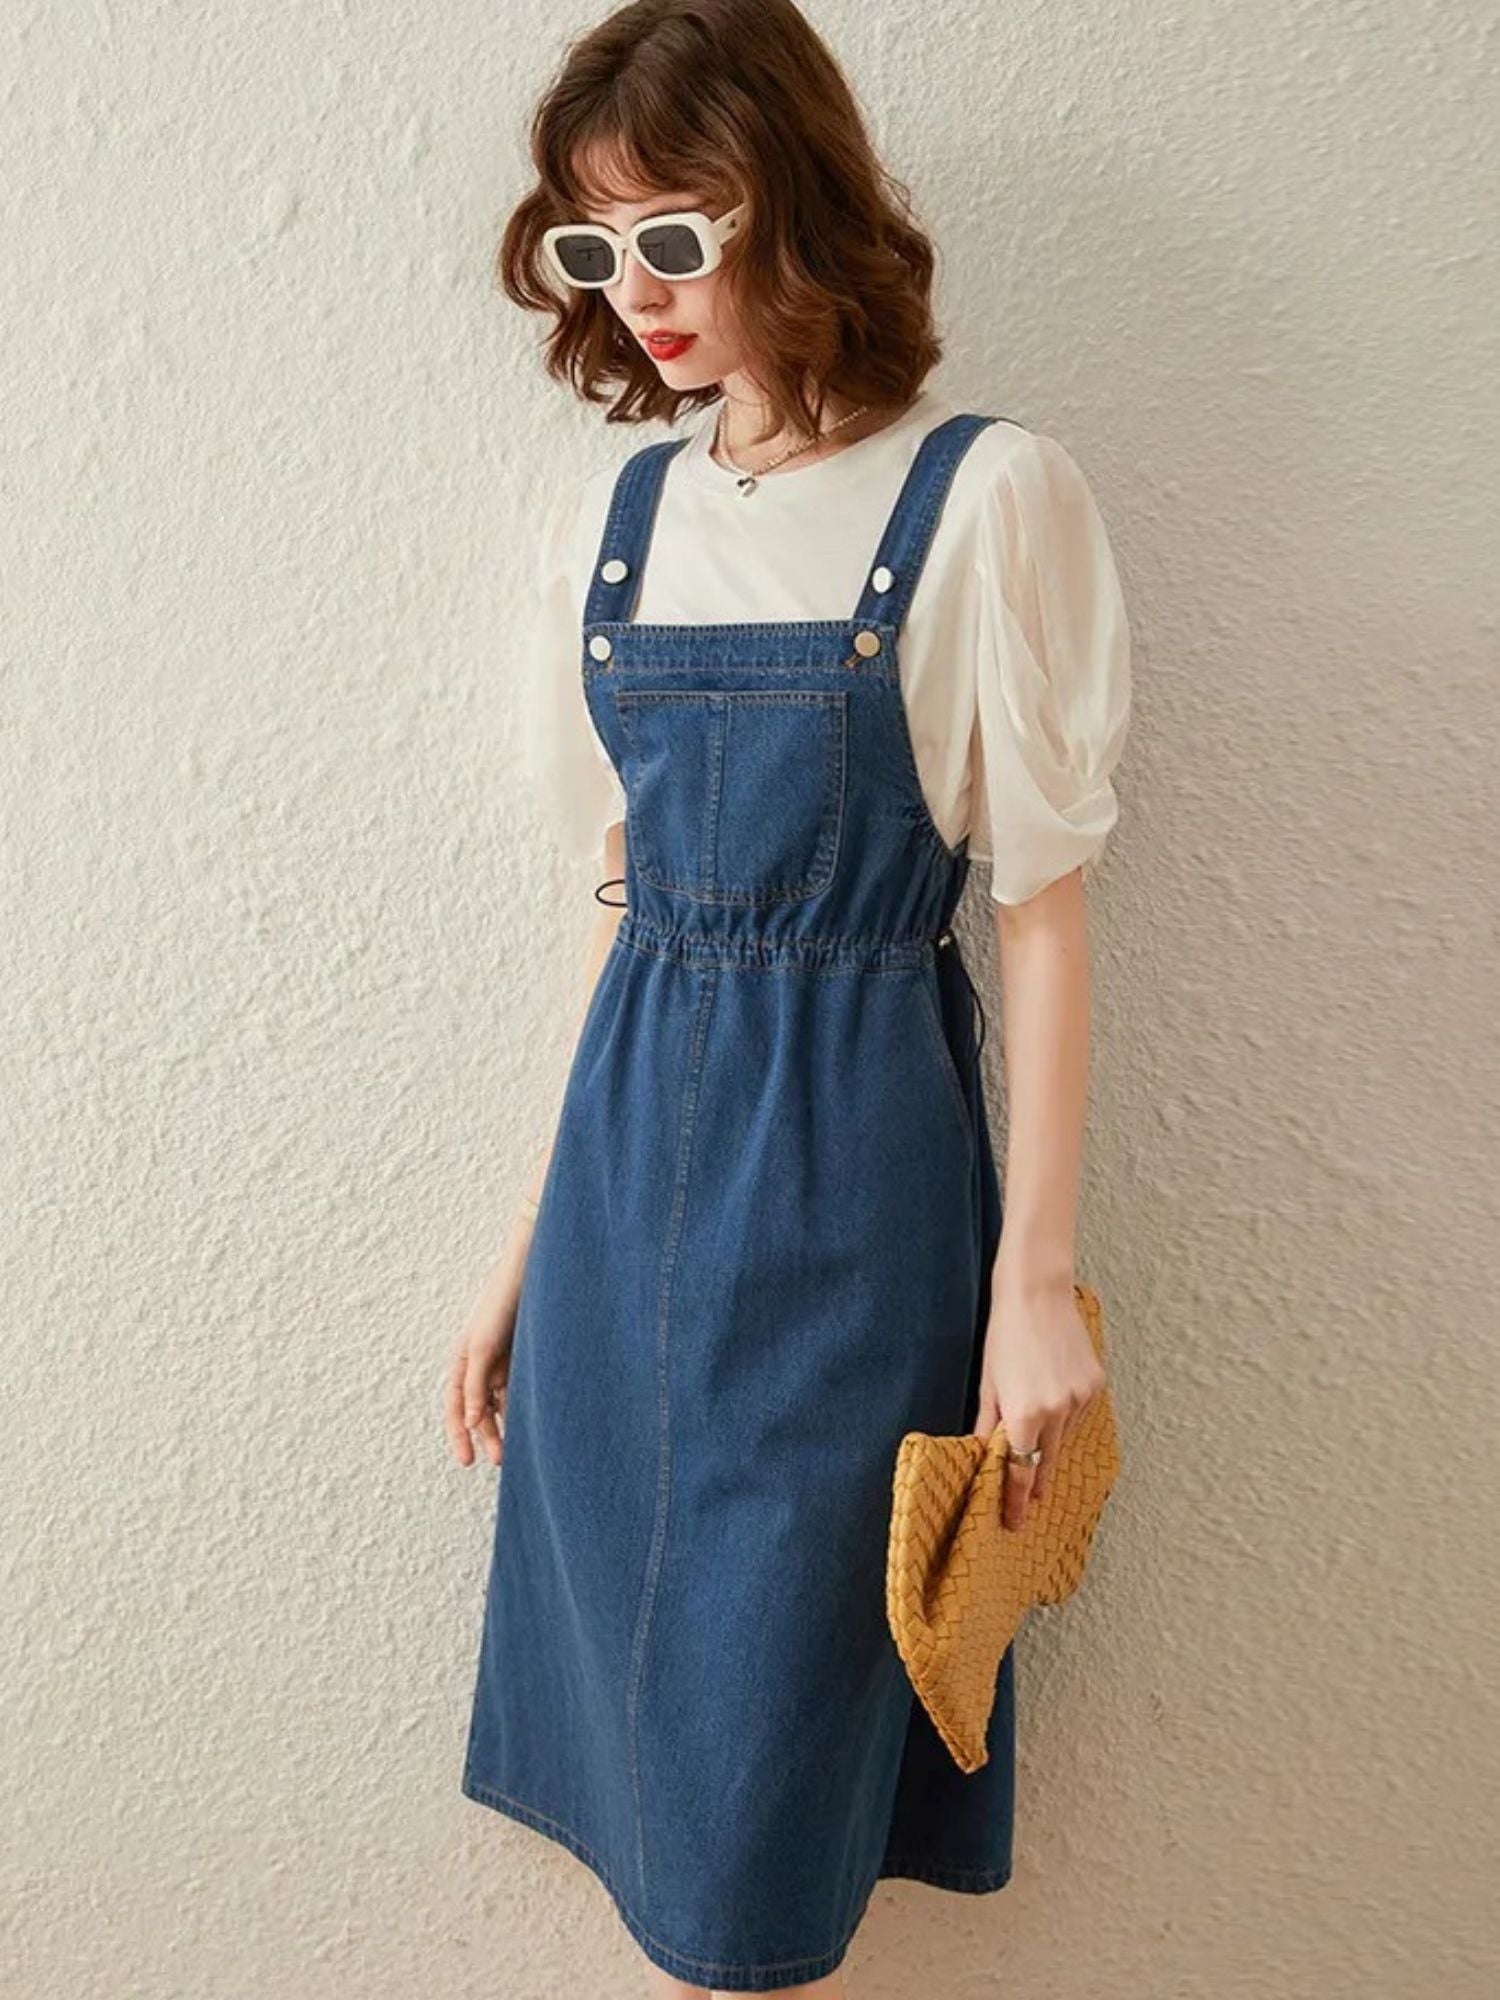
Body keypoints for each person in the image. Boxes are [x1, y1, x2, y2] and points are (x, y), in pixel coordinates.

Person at [445, 2, 1131, 1992]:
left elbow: (1044, 915)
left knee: (768, 1774)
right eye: (597, 248)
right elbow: (622, 910)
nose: (639, 293)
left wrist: (1033, 1283)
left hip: (848, 1196)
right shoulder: (618, 524)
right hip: (620, 1203)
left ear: (795, 203)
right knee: (639, 1749)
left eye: (679, 234)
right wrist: (531, 1240)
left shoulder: (984, 497)